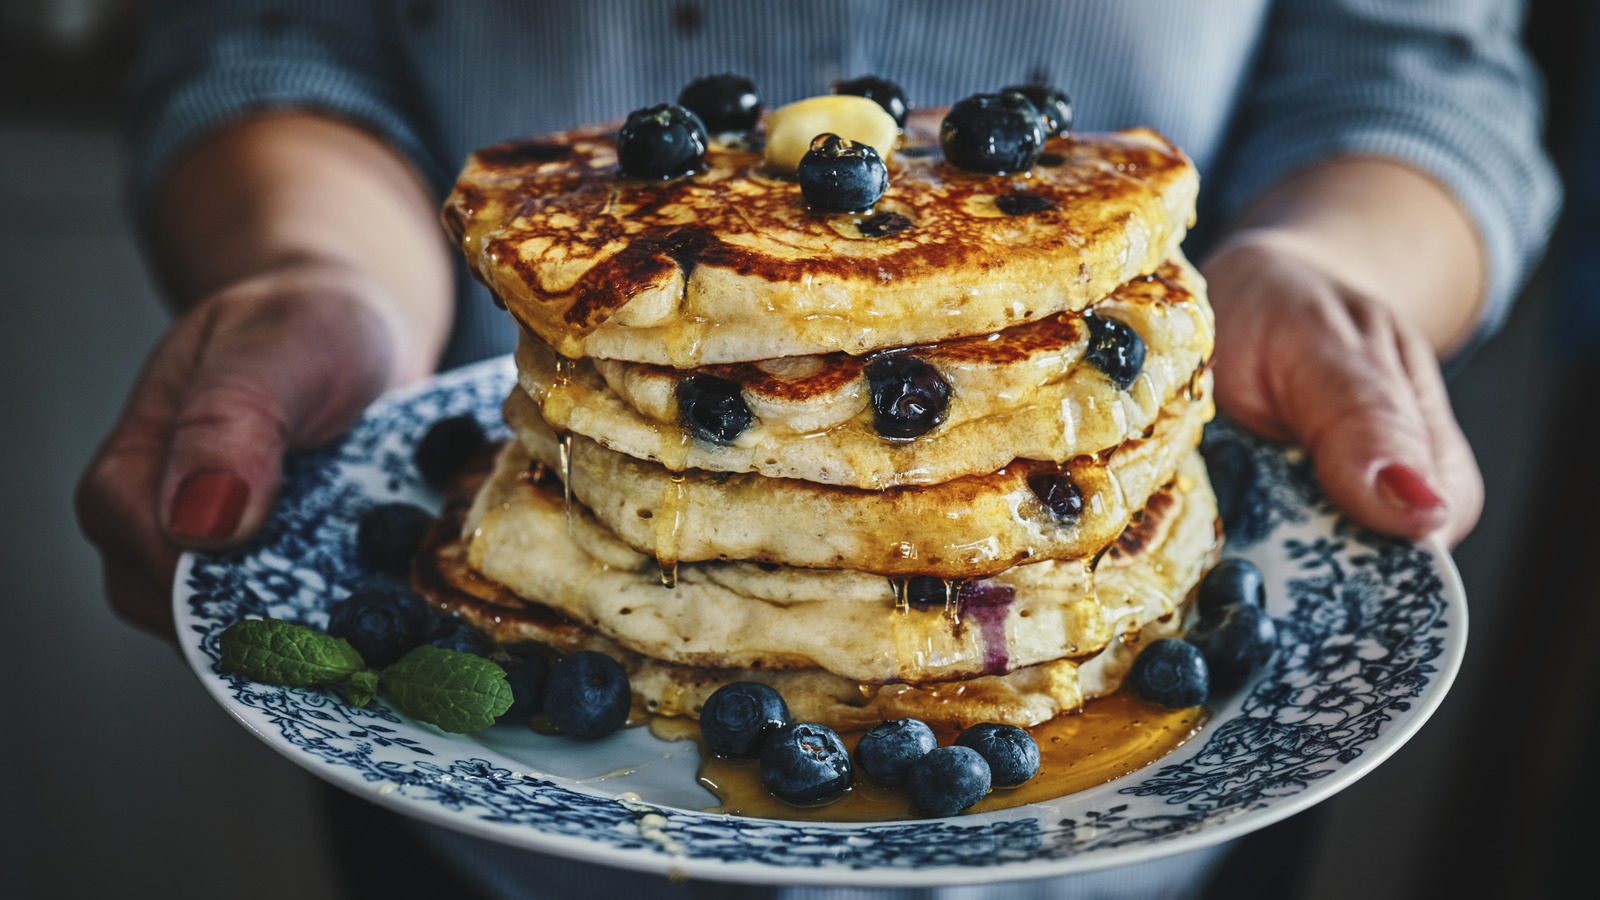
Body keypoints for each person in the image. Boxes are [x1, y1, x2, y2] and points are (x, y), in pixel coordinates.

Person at [75, 1, 1559, 898]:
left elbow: (1416, 66)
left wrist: (1327, 268)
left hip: (1141, 867)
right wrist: (319, 271)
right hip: (502, 851)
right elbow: (263, 30)